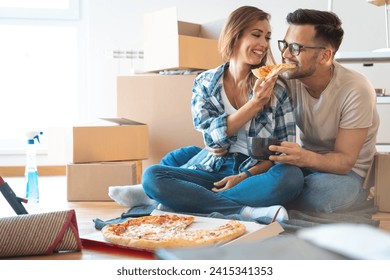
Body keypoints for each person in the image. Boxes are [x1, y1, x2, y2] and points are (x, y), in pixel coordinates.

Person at [137, 6, 304, 222]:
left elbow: (283, 154)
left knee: (292, 177)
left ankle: (183, 202)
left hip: (254, 173)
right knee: (153, 176)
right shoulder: (205, 83)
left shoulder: (277, 88)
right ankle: (243, 211)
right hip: (212, 167)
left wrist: (244, 176)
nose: (263, 44)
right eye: (256, 35)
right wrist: (254, 104)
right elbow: (212, 141)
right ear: (234, 36)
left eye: (267, 37)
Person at [267, 9, 379, 213]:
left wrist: (302, 158)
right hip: (304, 164)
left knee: (318, 194)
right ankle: (273, 204)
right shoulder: (289, 79)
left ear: (325, 55)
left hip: (347, 174)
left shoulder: (355, 89)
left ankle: (269, 206)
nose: (284, 55)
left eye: (295, 48)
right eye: (284, 45)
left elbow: (344, 162)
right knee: (276, 181)